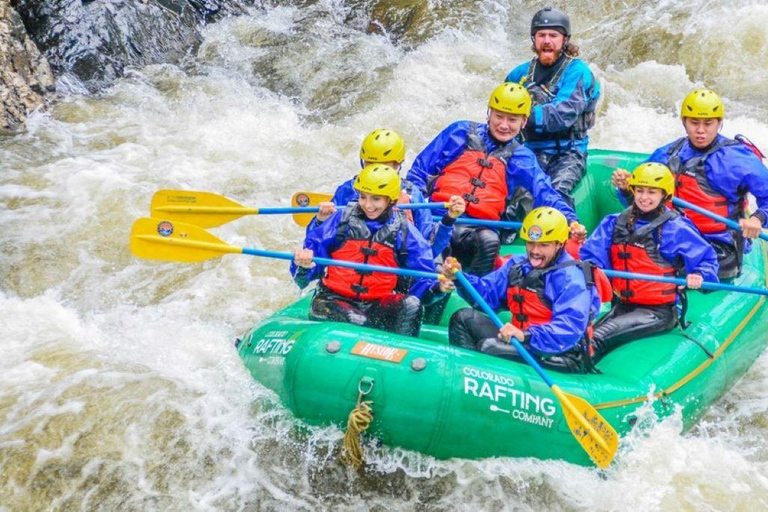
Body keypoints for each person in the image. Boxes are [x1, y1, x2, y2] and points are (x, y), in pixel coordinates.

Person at [406, 82, 585, 277]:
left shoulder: (521, 157)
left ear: (523, 122)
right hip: (438, 218)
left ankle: (475, 296)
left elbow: (544, 191)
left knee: (490, 241)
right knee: (432, 242)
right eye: (499, 116)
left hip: (478, 228)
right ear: (489, 113)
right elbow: (419, 173)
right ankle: (431, 284)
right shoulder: (459, 132)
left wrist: (571, 219)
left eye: (512, 120)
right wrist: (413, 210)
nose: (504, 125)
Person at [612, 89, 768, 279]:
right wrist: (626, 189)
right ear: (684, 122)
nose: (700, 130)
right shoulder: (668, 153)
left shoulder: (738, 160)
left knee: (664, 268)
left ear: (719, 123)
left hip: (717, 245)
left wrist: (757, 218)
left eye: (708, 123)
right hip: (671, 237)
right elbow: (640, 204)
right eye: (694, 122)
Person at [582, 163, 719, 363]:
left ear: (665, 195)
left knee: (598, 337)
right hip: (621, 304)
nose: (644, 197)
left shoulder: (675, 228)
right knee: (581, 334)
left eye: (652, 192)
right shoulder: (614, 222)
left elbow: (707, 259)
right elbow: (590, 257)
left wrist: (700, 274)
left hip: (657, 312)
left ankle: (579, 369)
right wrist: (590, 272)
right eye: (640, 191)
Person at [439, 207, 601, 373]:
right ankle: (464, 380)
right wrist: (460, 278)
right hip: (522, 341)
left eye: (544, 245)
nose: (535, 251)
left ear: (560, 244)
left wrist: (527, 335)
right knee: (463, 319)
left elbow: (569, 328)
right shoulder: (518, 265)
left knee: (490, 348)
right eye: (531, 243)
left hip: (560, 353)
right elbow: (487, 294)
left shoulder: (572, 278)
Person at [291, 164, 443, 337]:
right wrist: (304, 264)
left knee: (411, 306)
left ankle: (398, 356)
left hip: (377, 303)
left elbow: (423, 276)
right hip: (332, 300)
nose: (367, 205)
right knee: (356, 319)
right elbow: (307, 269)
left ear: (390, 199)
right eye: (363, 197)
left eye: (376, 199)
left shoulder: (405, 230)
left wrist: (439, 287)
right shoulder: (341, 221)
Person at [310, 128, 466, 258]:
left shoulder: (411, 195)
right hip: (351, 264)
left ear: (398, 164)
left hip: (393, 271)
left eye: (384, 165)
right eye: (370, 164)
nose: (376, 171)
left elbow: (428, 247)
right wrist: (320, 221)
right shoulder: (349, 189)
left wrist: (449, 219)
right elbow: (318, 241)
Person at [504, 7, 600, 212]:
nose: (547, 40)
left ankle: (563, 237)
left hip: (568, 152)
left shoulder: (578, 72)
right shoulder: (518, 75)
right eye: (541, 35)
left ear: (564, 39)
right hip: (529, 150)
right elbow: (498, 113)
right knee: (509, 197)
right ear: (534, 40)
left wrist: (520, 118)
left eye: (553, 35)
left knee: (554, 196)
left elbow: (562, 114)